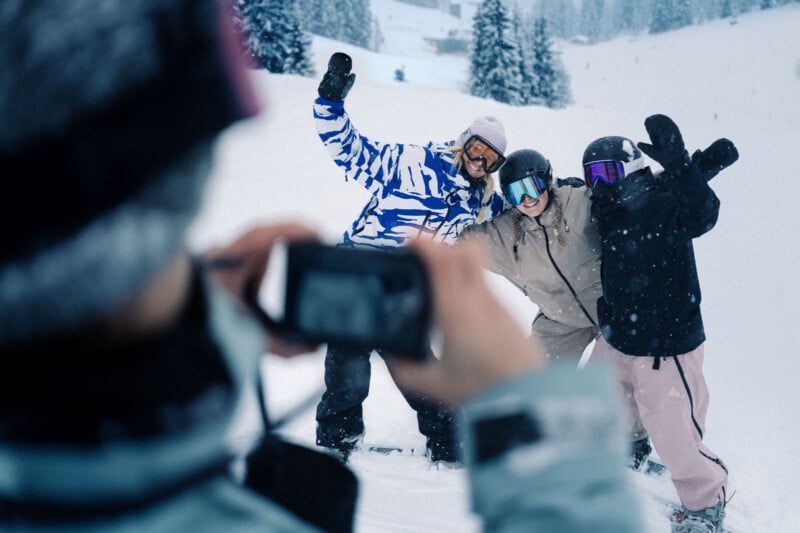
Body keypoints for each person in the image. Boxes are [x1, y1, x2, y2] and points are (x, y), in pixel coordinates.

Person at [313, 52, 508, 462]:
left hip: (404, 287)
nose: (478, 161)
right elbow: (348, 149)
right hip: (359, 272)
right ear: (463, 142)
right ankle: (337, 439)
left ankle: (448, 441)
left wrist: (556, 188)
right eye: (476, 148)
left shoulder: (479, 200)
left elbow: (523, 205)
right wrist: (330, 102)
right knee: (348, 369)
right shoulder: (411, 162)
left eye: (489, 158)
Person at [583, 115, 739, 533]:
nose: (600, 183)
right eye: (592, 175)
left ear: (631, 168)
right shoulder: (608, 207)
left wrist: (684, 163)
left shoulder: (661, 203)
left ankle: (707, 502)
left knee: (673, 435)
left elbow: (702, 214)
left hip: (666, 345)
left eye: (608, 172)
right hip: (619, 337)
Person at [459, 149, 602, 366]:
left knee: (615, 381)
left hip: (615, 311)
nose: (527, 200)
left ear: (546, 180)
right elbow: (453, 237)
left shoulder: (578, 202)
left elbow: (637, 197)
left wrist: (673, 169)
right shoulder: (505, 234)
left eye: (532, 187)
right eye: (516, 193)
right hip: (561, 322)